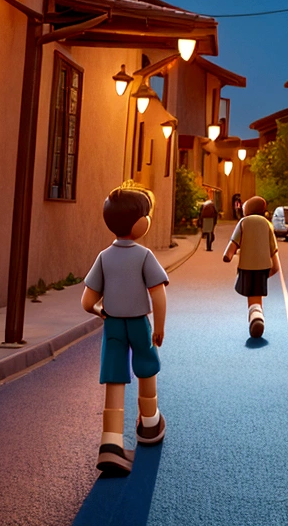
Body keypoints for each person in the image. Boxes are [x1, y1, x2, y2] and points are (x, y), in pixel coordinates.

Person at [81, 183, 168, 475]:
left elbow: (87, 301)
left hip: (113, 325)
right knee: (146, 367)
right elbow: (158, 293)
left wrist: (100, 310)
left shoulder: (104, 257)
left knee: (115, 379)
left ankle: (111, 444)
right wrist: (160, 325)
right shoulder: (144, 256)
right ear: (139, 223)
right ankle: (150, 422)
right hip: (139, 324)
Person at [222, 195, 280, 337]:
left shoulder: (243, 222)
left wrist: (228, 255)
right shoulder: (267, 225)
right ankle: (257, 315)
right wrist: (274, 268)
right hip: (263, 268)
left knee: (251, 295)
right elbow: (273, 250)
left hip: (246, 267)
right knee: (256, 294)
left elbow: (233, 243)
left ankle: (256, 317)